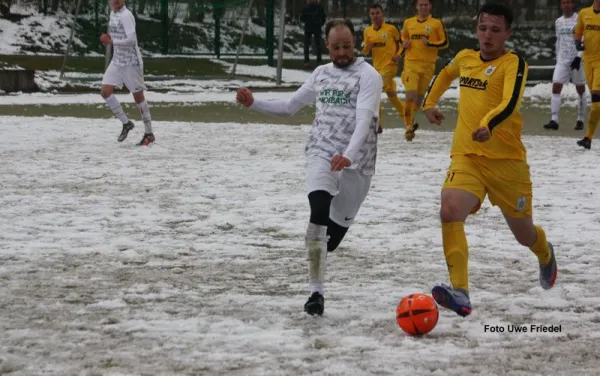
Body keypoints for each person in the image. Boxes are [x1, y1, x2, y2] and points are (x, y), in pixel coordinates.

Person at [236, 18, 382, 316]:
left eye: (347, 46)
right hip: (322, 151)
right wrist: (254, 103)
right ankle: (316, 293)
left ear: (356, 43)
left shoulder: (368, 76)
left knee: (332, 241)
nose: (342, 52)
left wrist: (350, 156)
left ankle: (319, 259)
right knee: (317, 212)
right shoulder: (321, 74)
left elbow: (365, 120)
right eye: (336, 46)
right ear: (326, 46)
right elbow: (290, 107)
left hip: (358, 162)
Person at [422, 3, 557, 317]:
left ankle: (545, 252)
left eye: (496, 30)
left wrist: (488, 124)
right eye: (483, 28)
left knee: (524, 234)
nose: (488, 35)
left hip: (507, 164)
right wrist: (429, 103)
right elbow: (444, 74)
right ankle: (460, 292)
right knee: (450, 208)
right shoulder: (465, 58)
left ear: (507, 33)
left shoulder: (514, 64)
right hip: (467, 156)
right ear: (476, 29)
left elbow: (510, 101)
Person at [100, 0, 154, 146]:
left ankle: (149, 133)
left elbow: (131, 40)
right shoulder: (112, 13)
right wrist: (110, 40)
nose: (115, 1)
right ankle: (126, 123)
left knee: (138, 97)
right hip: (117, 61)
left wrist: (112, 42)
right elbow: (118, 37)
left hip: (131, 63)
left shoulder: (126, 15)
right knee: (105, 91)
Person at [400, 0, 448, 141]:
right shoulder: (408, 22)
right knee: (411, 95)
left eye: (426, 4)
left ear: (430, 6)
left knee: (419, 100)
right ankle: (408, 127)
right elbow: (402, 38)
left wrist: (431, 44)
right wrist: (404, 44)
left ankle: (410, 118)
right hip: (411, 64)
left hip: (428, 65)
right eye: (421, 5)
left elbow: (445, 42)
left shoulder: (436, 23)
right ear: (416, 6)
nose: (423, 7)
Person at [361, 3, 405, 135]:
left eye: (377, 13)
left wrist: (399, 55)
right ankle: (408, 118)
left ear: (382, 14)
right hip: (376, 69)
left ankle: (377, 124)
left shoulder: (391, 29)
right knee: (392, 96)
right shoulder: (367, 31)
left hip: (390, 66)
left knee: (376, 90)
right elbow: (364, 52)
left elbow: (402, 44)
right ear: (370, 15)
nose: (375, 16)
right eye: (372, 14)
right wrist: (368, 47)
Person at [543, 0, 586, 131]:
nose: (566, 5)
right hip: (562, 60)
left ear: (573, 4)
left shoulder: (580, 19)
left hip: (577, 60)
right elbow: (558, 40)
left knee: (580, 89)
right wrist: (558, 57)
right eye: (563, 3)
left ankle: (580, 119)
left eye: (568, 2)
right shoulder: (558, 21)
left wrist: (579, 57)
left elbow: (584, 39)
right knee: (556, 86)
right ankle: (554, 120)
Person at [574, 0, 600, 149]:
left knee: (596, 103)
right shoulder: (584, 13)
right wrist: (577, 43)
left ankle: (588, 137)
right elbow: (577, 32)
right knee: (596, 103)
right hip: (587, 61)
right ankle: (588, 138)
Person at [300, 0, 327, 69]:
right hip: (317, 27)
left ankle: (306, 61)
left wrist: (306, 21)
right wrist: (320, 23)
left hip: (308, 27)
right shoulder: (319, 7)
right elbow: (324, 17)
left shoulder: (306, 8)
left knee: (307, 44)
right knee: (318, 44)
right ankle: (319, 60)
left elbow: (302, 18)